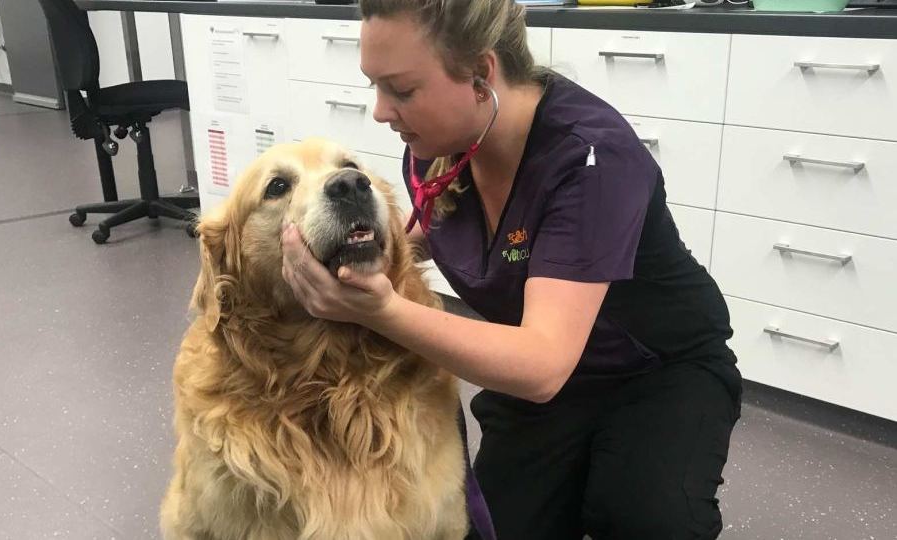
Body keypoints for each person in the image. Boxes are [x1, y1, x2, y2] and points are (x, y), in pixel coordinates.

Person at [280, 1, 743, 538]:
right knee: (490, 527)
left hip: (657, 370)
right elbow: (456, 230)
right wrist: (359, 248)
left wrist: (382, 309)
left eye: (402, 90)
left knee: (646, 520)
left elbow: (542, 366)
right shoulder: (436, 147)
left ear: (481, 76)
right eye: (374, 86)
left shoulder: (591, 159)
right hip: (540, 378)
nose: (381, 111)